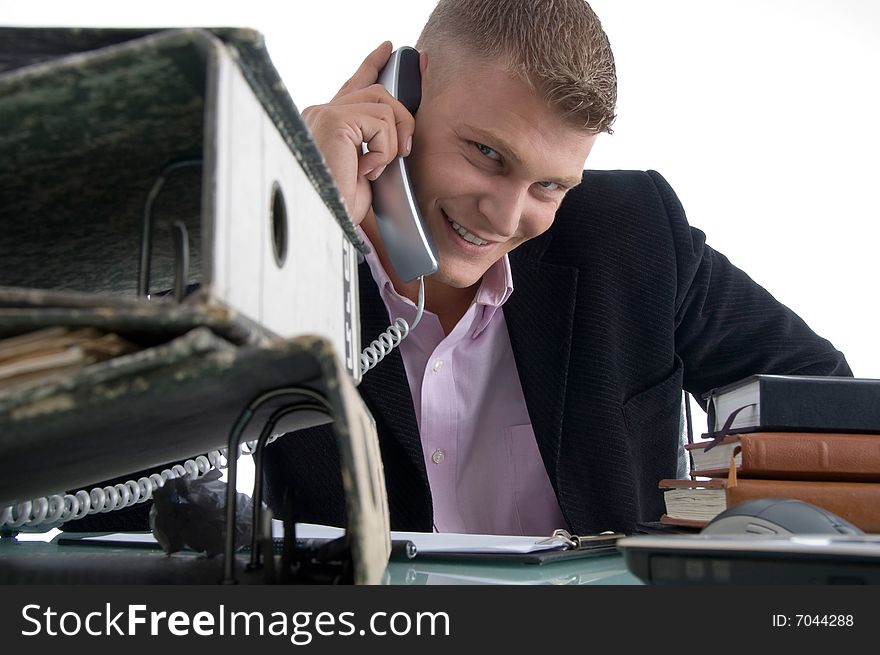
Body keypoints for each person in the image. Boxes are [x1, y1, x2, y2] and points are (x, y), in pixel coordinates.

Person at [264, 0, 850, 535]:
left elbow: (823, 399)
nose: (505, 216)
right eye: (487, 154)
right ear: (403, 96)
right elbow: (180, 474)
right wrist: (304, 224)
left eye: (548, 185)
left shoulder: (635, 235)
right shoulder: (277, 250)